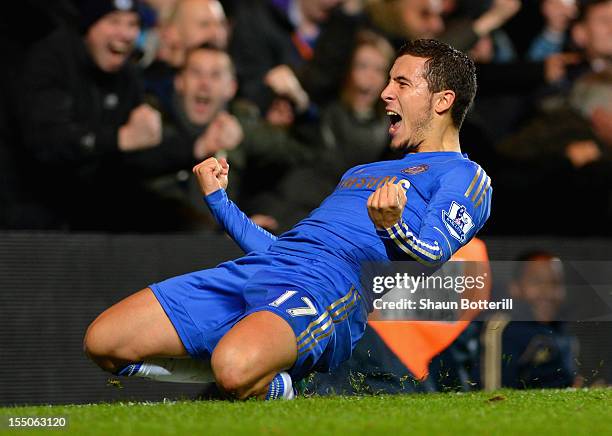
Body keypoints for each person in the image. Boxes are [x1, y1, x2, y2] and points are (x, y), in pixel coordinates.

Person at [83, 39, 492, 400]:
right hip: (266, 268)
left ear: (442, 100)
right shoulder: (360, 172)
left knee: (234, 366)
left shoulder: (464, 175)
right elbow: (283, 250)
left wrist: (392, 225)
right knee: (104, 343)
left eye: (402, 83)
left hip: (329, 289)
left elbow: (431, 255)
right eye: (389, 80)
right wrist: (219, 202)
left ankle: (273, 382)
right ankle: (250, 370)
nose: (385, 92)